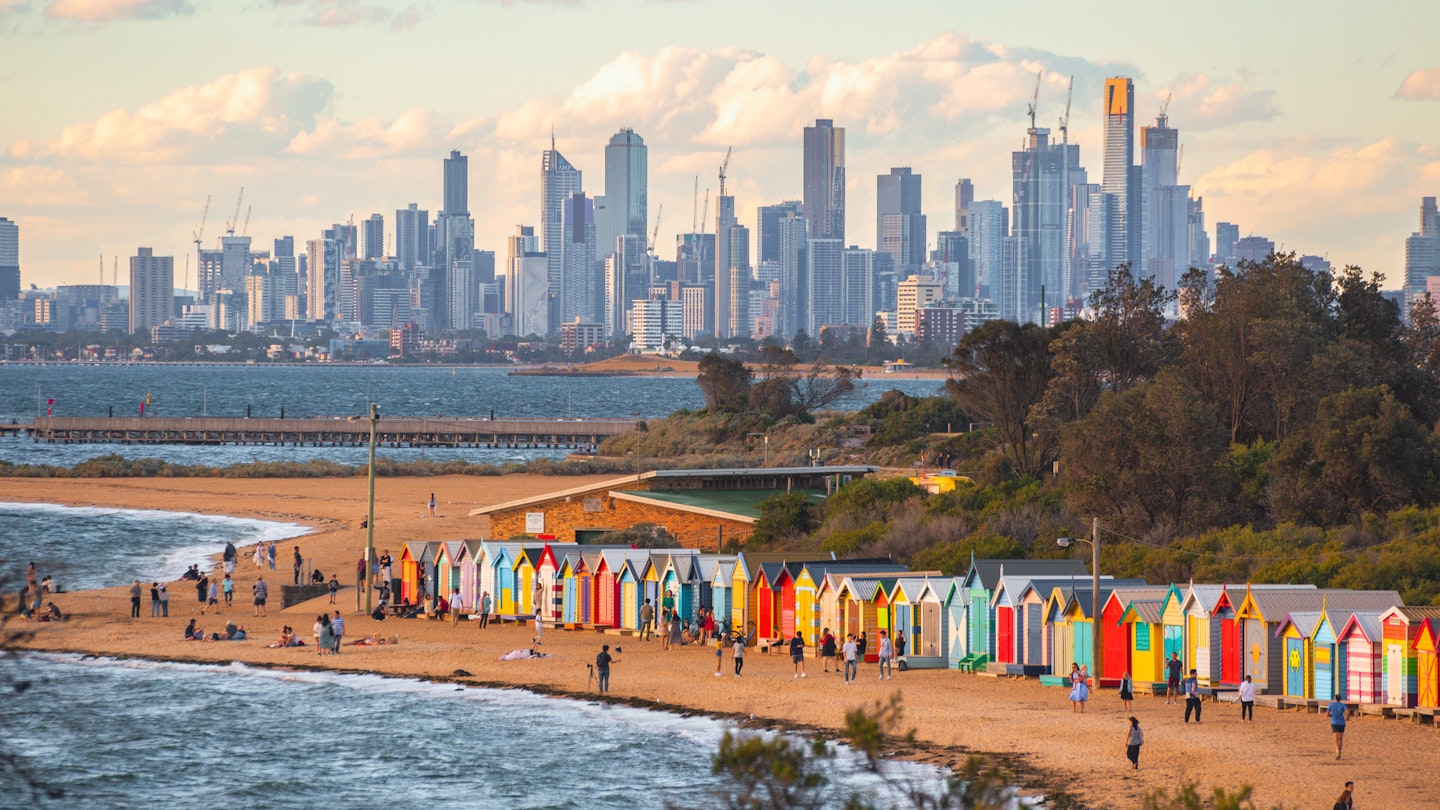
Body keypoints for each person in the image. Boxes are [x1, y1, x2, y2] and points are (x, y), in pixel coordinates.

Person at [1327, 694, 1348, 760]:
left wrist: (1332, 716)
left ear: (1334, 698)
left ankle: (1337, 752)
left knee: (1335, 740)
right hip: (1342, 723)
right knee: (1340, 739)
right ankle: (1340, 752)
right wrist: (1347, 718)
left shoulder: (1331, 705)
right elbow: (1348, 712)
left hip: (1335, 722)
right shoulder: (1343, 705)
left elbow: (1327, 714)